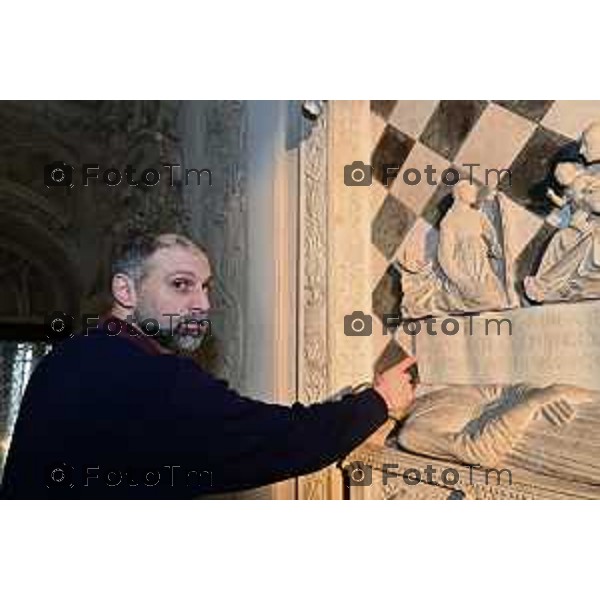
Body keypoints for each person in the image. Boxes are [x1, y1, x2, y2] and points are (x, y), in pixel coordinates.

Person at [0, 233, 416, 499]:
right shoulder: (155, 379)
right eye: (180, 285)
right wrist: (379, 401)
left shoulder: (66, 357)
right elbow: (281, 439)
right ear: (125, 290)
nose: (202, 303)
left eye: (205, 287)